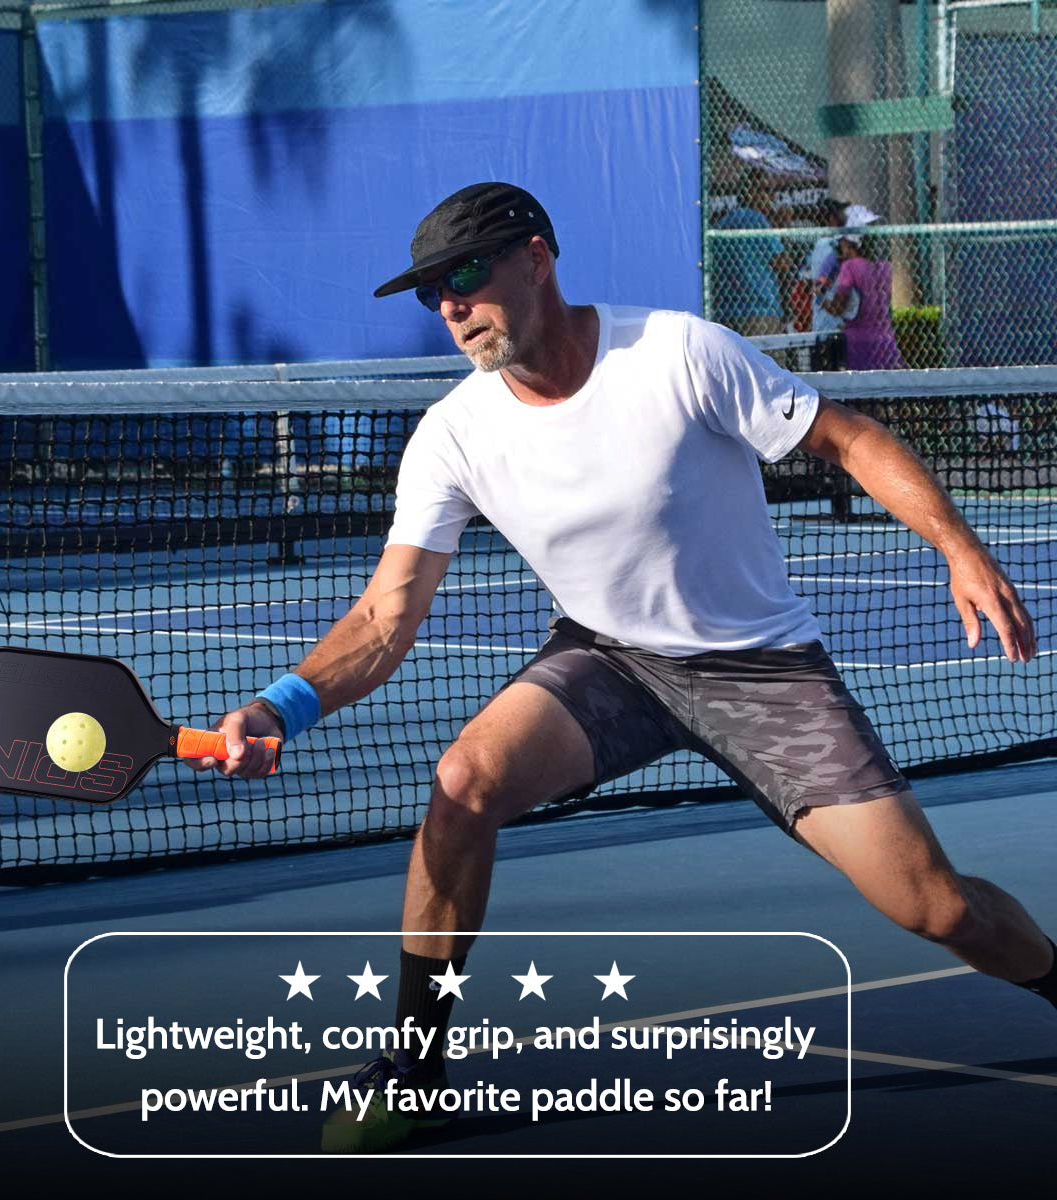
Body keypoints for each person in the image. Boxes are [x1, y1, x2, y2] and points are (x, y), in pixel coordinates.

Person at [193, 182, 1055, 1154]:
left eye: (466, 275)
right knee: (463, 783)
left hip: (762, 670)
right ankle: (415, 1070)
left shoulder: (678, 353)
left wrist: (959, 547)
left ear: (537, 259)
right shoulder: (453, 435)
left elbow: (847, 438)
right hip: (610, 662)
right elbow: (383, 618)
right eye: (433, 291)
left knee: (936, 908)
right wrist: (281, 705)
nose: (451, 306)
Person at [822, 206, 907, 370]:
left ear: (850, 242)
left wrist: (823, 302)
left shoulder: (850, 267)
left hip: (859, 343)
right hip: (886, 341)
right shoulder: (885, 267)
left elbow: (839, 307)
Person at [710, 169, 793, 337]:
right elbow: (783, 263)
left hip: (725, 310)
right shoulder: (758, 220)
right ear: (751, 192)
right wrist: (784, 228)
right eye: (767, 190)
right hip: (761, 311)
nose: (773, 197)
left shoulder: (722, 223)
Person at [806, 197, 847, 336]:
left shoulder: (822, 244)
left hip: (829, 317)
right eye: (841, 214)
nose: (845, 218)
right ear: (832, 219)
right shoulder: (828, 244)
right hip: (830, 320)